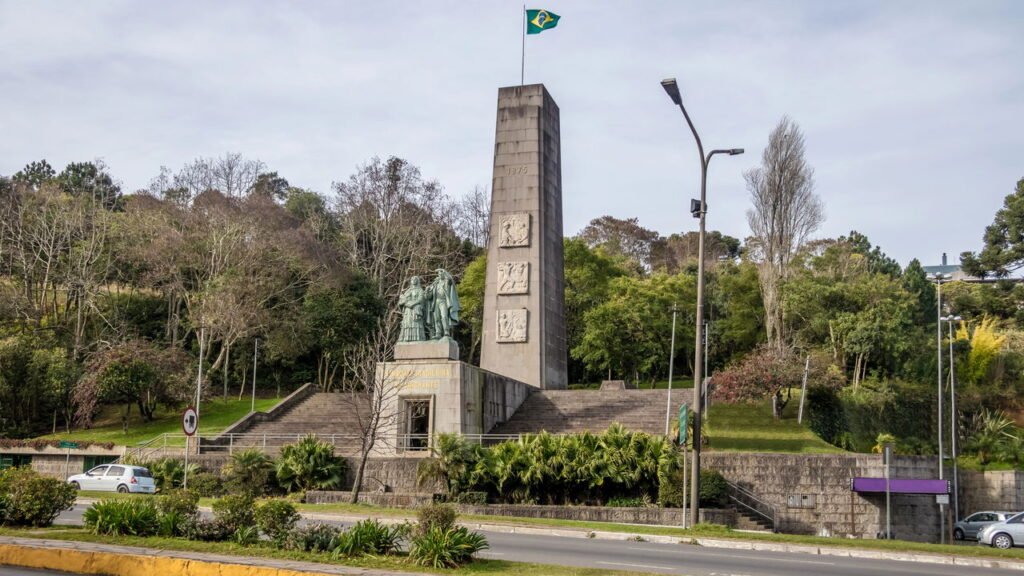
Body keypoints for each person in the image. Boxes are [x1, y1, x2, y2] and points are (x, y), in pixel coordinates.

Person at [398, 276, 427, 342]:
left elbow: (421, 299)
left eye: (415, 279)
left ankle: (417, 338)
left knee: (415, 323)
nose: (413, 280)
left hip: (415, 309)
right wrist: (404, 303)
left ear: (417, 281)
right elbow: (403, 299)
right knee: (407, 324)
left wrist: (413, 304)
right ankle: (406, 338)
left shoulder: (420, 290)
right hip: (408, 310)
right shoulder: (408, 290)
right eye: (412, 279)